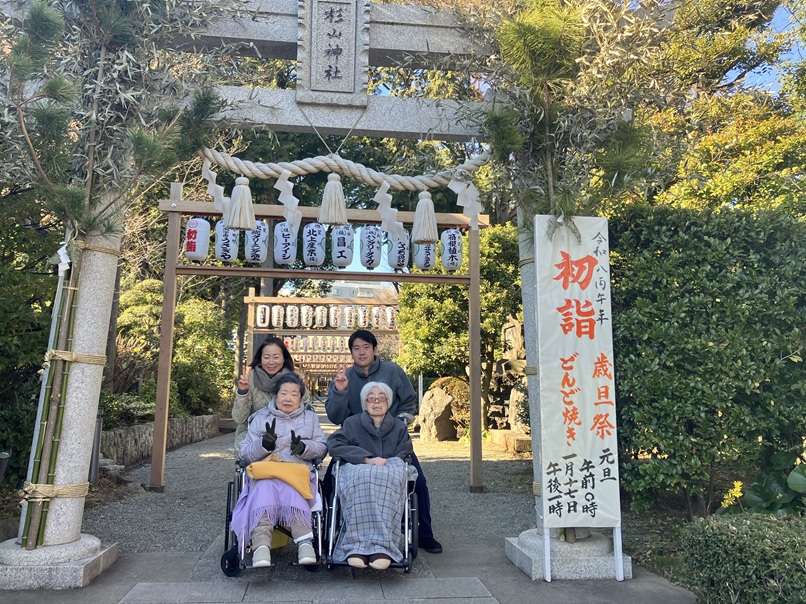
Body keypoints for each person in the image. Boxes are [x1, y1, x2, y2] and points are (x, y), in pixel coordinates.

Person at [326, 329, 443, 554]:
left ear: (374, 349)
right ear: (351, 352)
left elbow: (409, 401)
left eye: (366, 347)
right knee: (331, 480)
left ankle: (425, 534)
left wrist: (398, 423)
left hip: (391, 438)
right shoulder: (345, 377)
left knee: (418, 482)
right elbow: (335, 416)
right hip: (357, 440)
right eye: (356, 348)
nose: (361, 352)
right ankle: (330, 533)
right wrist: (340, 392)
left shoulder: (392, 371)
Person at [230, 372, 327, 567]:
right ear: (275, 395)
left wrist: (304, 448)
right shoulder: (259, 418)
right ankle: (261, 546)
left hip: (296, 474)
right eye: (284, 393)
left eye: (294, 394)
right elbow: (244, 454)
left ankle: (305, 543)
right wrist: (263, 445)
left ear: (301, 398)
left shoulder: (310, 418)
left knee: (294, 488)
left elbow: (322, 447)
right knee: (264, 489)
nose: (288, 398)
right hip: (266, 474)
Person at [327, 382, 415, 570]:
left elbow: (405, 451)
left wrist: (387, 463)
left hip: (388, 471)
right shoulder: (351, 423)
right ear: (364, 403)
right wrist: (365, 459)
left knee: (388, 476)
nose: (376, 402)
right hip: (358, 469)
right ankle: (356, 546)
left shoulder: (399, 427)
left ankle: (383, 548)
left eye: (381, 398)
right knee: (363, 477)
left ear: (388, 402)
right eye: (371, 399)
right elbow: (334, 445)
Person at [233, 336, 303, 448]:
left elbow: (307, 413)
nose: (271, 362)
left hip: (288, 438)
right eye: (266, 357)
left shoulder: (295, 380)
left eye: (276, 357)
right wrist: (242, 392)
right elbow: (239, 418)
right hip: (254, 438)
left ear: (284, 358)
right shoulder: (250, 378)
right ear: (260, 358)